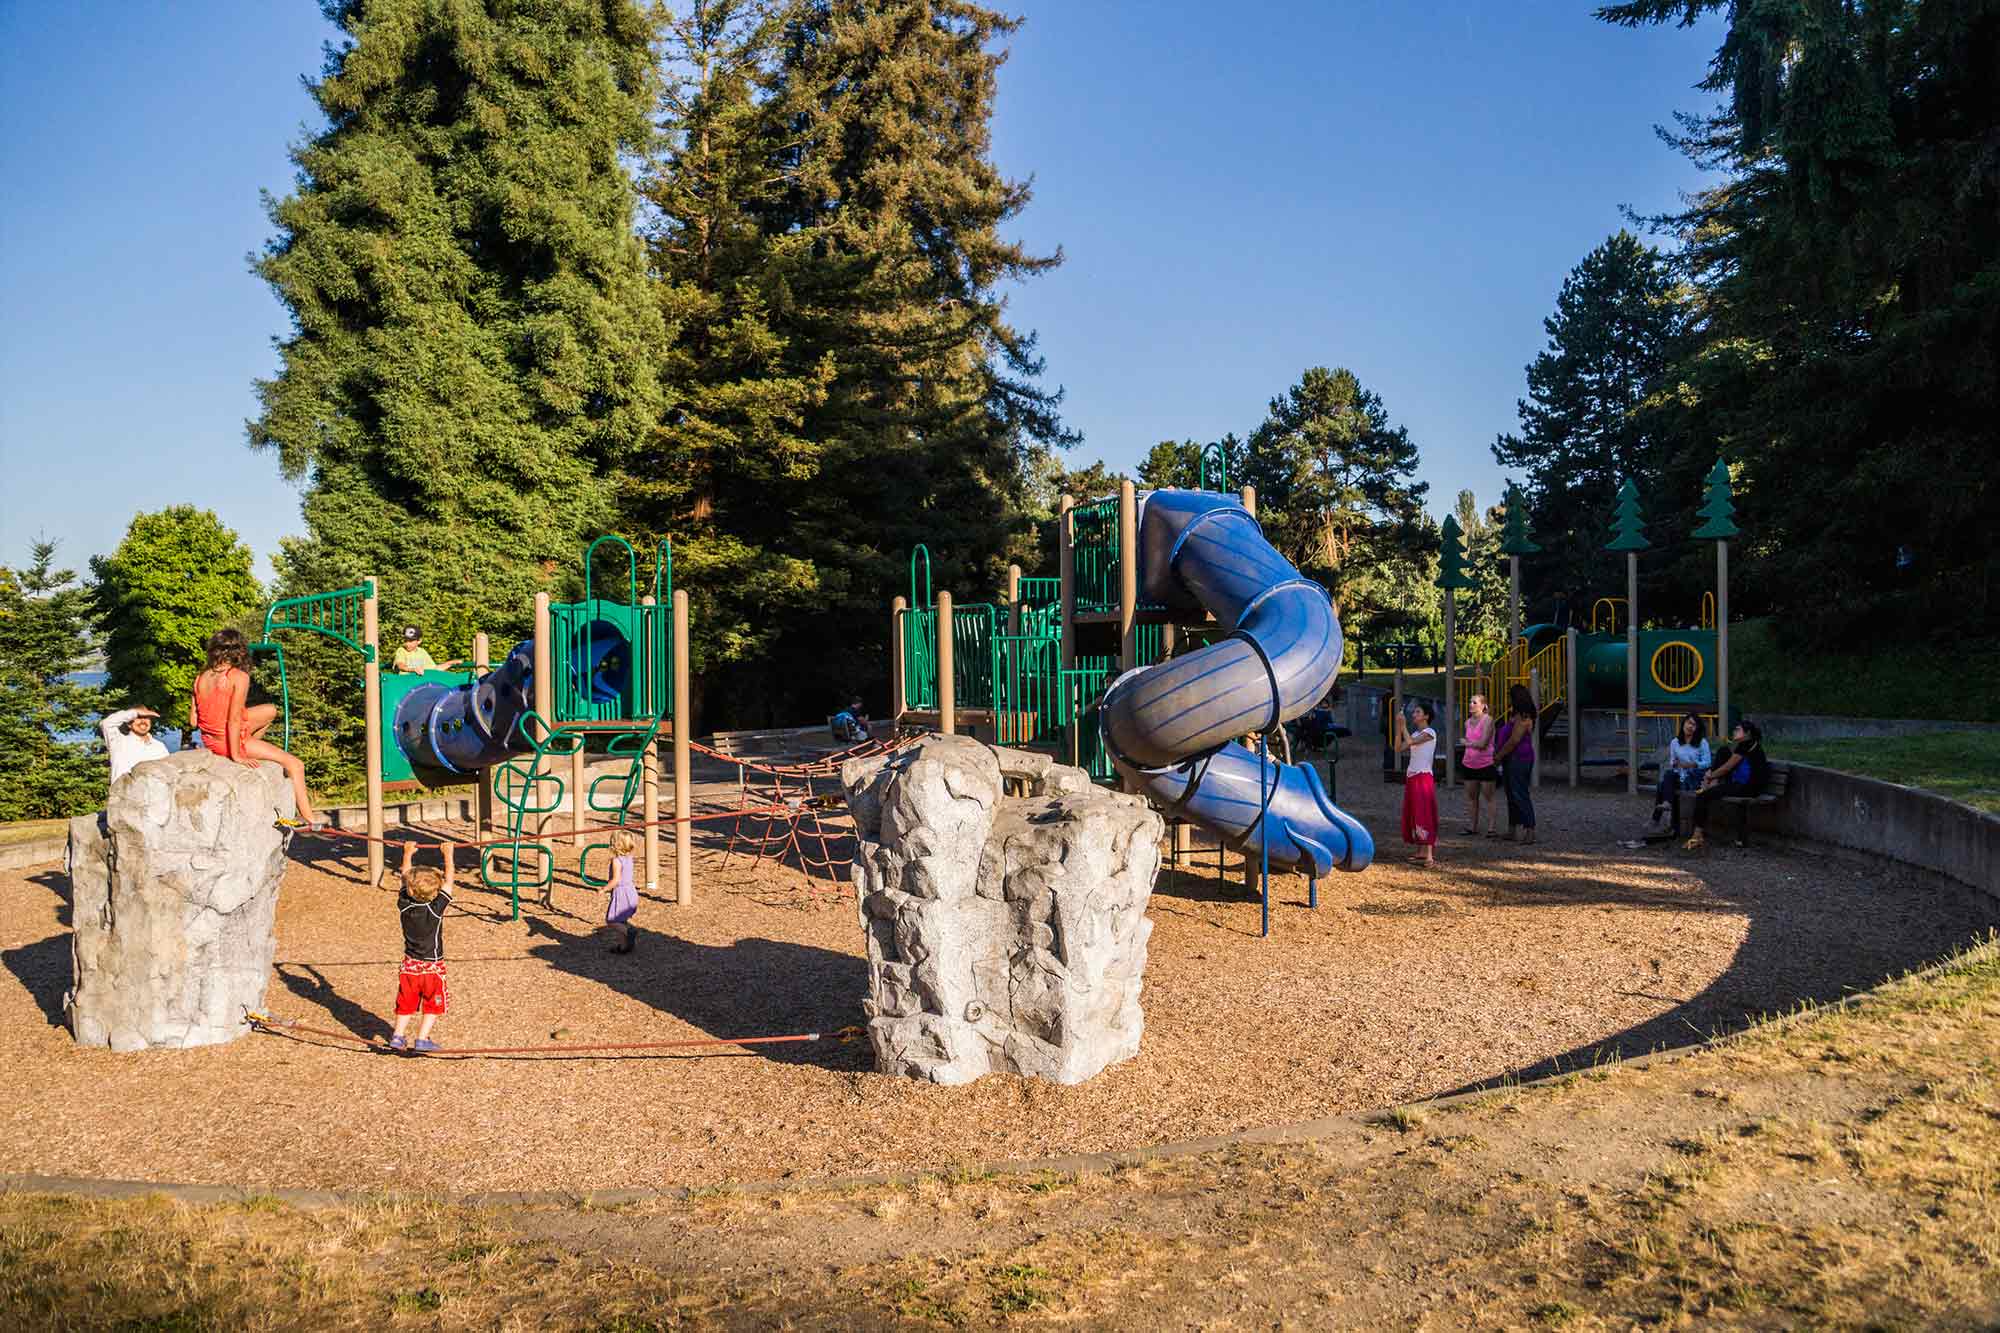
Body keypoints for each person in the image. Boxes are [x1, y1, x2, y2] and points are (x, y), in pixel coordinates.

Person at [191, 628, 317, 826]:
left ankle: (250, 745)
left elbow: (193, 721)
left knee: (270, 710)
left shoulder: (200, 678)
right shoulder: (238, 677)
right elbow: (232, 721)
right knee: (295, 764)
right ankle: (310, 819)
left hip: (210, 740)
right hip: (229, 743)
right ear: (239, 651)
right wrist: (237, 755)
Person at [389, 839, 455, 1052]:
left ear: (409, 889)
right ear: (434, 892)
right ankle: (422, 1038)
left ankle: (398, 1036)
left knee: (406, 1002)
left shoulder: (404, 905)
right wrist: (448, 854)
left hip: (410, 967)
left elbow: (404, 877)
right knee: (432, 1004)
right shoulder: (435, 909)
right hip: (432, 968)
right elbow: (450, 881)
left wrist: (407, 853)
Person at [1685, 720, 1768, 850]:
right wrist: (1712, 775)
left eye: (1738, 729)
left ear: (1747, 733)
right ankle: (1713, 784)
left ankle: (1697, 835)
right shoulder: (1750, 744)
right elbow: (1728, 765)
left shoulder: (1745, 745)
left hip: (1746, 787)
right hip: (1744, 784)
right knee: (1723, 750)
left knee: (1703, 796)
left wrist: (1709, 776)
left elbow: (1726, 768)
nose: (1734, 731)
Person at [1393, 700, 1439, 866]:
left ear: (1426, 716)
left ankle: (1428, 855)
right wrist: (1399, 728)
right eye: (1414, 712)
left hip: (1423, 776)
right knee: (1414, 812)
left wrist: (1403, 725)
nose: (1414, 715)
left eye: (1418, 712)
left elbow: (1412, 743)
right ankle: (1420, 851)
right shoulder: (1413, 734)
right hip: (1412, 776)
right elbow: (1398, 748)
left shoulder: (1430, 732)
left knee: (1424, 811)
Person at [1650, 713, 1711, 838]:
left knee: (1663, 784)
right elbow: (1672, 761)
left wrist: (1692, 764)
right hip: (1680, 775)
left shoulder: (1702, 742)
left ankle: (1658, 819)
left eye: (1694, 724)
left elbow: (1707, 762)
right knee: (1668, 775)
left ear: (1697, 728)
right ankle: (1667, 808)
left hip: (1694, 778)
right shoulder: (1675, 742)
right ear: (1683, 724)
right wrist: (1676, 763)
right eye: (1688, 722)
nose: (1690, 726)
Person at [1491, 683, 1538, 844]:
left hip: (1519, 758)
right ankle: (1512, 829)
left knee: (1519, 793)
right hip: (1511, 758)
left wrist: (1499, 755)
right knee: (1511, 794)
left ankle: (1530, 829)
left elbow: (1514, 740)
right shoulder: (1516, 715)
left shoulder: (1523, 717)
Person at [1458, 692, 1500, 837]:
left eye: (1475, 702)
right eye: (1470, 701)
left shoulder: (1488, 720)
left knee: (1489, 796)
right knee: (1471, 797)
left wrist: (1467, 743)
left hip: (1485, 763)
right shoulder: (1467, 722)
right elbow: (1476, 744)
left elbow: (1483, 744)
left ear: (1483, 706)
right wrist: (1469, 745)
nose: (1471, 704)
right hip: (1469, 763)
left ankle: (1491, 827)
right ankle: (1472, 826)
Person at [100, 705, 168, 785]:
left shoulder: (159, 746)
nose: (143, 721)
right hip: (124, 796)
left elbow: (169, 771)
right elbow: (106, 723)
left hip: (154, 795)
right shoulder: (118, 741)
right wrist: (135, 712)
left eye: (146, 718)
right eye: (138, 717)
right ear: (129, 724)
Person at [603, 827, 640, 953]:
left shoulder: (616, 861)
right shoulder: (629, 858)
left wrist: (604, 889)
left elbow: (616, 880)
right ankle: (624, 946)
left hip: (621, 893)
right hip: (630, 891)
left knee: (612, 920)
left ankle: (629, 932)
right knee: (621, 920)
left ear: (616, 845)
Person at [393, 627, 461, 674]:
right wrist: (413, 669)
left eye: (411, 641)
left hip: (418, 686)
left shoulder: (422, 652)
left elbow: (434, 669)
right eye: (405, 641)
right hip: (404, 685)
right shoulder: (401, 650)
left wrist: (450, 663)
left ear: (419, 641)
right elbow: (401, 665)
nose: (407, 644)